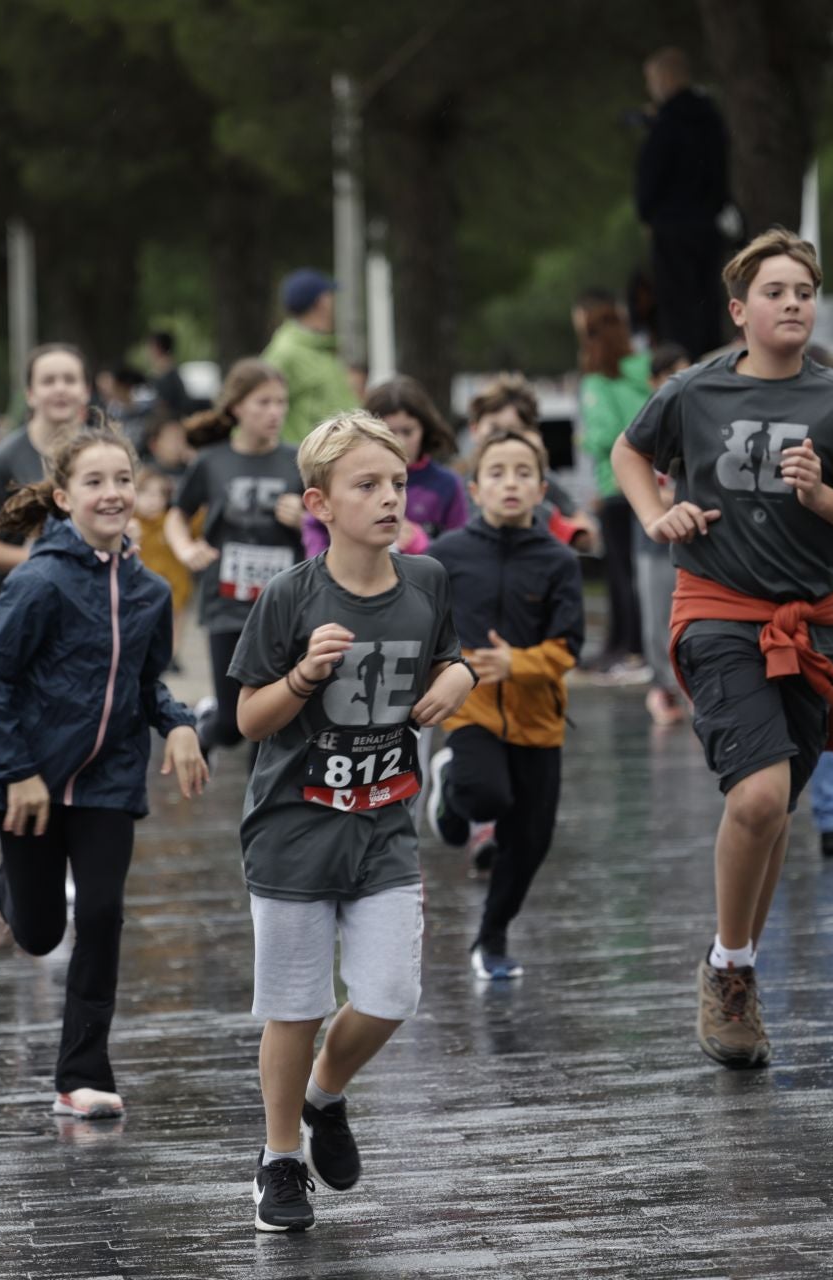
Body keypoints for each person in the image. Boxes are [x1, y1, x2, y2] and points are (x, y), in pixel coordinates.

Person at [611, 228, 833, 1070]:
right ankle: (733, 971)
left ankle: (730, 964)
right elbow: (629, 453)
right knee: (757, 799)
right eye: (776, 292)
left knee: (776, 809)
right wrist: (653, 514)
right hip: (716, 613)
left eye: (805, 293)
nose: (793, 305)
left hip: (812, 623)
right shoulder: (693, 392)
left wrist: (823, 496)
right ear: (740, 311)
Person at [230, 411, 475, 1233]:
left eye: (397, 483)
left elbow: (449, 654)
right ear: (319, 503)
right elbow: (251, 719)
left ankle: (323, 1098)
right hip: (294, 828)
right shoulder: (289, 596)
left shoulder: (429, 579)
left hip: (383, 826)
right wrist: (302, 675)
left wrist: (462, 677)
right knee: (294, 1006)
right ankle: (278, 1161)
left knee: (392, 994)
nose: (388, 498)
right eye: (365, 485)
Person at [0, 427, 207, 1121]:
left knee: (100, 915)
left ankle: (82, 1072)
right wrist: (16, 772)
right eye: (95, 482)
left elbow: (145, 681)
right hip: (30, 782)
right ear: (64, 497)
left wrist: (180, 722)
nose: (112, 493)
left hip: (109, 781)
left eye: (123, 479)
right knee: (39, 934)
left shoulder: (150, 591)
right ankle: (8, 889)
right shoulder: (38, 580)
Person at [426, 428, 584, 980]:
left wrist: (519, 663)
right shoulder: (445, 556)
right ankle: (451, 789)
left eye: (523, 473)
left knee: (530, 838)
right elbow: (424, 626)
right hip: (469, 706)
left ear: (542, 489)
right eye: (497, 473)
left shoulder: (559, 560)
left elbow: (569, 646)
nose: (510, 483)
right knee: (486, 794)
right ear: (474, 488)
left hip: (538, 714)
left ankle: (491, 938)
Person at [162, 359, 305, 759]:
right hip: (228, 604)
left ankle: (260, 817)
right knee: (233, 724)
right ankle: (207, 726)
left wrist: (306, 518)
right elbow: (176, 514)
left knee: (272, 723)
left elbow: (326, 523)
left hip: (283, 606)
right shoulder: (212, 461)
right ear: (237, 408)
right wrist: (187, 549)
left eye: (281, 402)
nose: (275, 412)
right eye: (263, 402)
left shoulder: (299, 461)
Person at [0, 344, 93, 623]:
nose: (60, 388)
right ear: (30, 395)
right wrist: (42, 558)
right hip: (19, 611)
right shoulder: (3, 461)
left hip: (87, 604)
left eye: (69, 379)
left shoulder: (104, 454)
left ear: (85, 391)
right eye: (48, 381)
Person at [576, 290, 655, 679]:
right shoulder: (644, 371)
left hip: (615, 485)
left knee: (620, 573)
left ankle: (626, 647)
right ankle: (635, 646)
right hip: (650, 484)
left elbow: (605, 432)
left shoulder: (597, 381)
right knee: (642, 573)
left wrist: (583, 439)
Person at [301, 377, 469, 557]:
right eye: (367, 485)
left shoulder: (446, 483)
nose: (400, 441)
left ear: (424, 430)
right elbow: (316, 524)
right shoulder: (349, 473)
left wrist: (423, 545)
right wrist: (322, 566)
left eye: (399, 484)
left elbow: (461, 551)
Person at [634, 47, 731, 360]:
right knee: (707, 305)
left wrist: (649, 216)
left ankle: (682, 372)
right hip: (707, 228)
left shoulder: (666, 124)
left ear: (665, 79)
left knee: (677, 312)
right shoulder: (711, 119)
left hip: (672, 230)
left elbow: (649, 180)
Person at [464, 376, 600, 557]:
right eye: (494, 429)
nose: (503, 439)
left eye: (514, 432)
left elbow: (585, 531)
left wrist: (558, 527)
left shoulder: (542, 480)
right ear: (474, 429)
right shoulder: (456, 483)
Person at [634, 343, 694, 724]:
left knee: (687, 613)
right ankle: (662, 687)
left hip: (691, 536)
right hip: (653, 535)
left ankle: (691, 684)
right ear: (654, 381)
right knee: (655, 614)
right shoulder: (643, 422)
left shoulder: (699, 418)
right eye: (672, 374)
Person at [262, 270, 358, 446]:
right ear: (322, 302)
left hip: (335, 462)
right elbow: (257, 407)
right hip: (306, 466)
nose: (333, 302)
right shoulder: (285, 352)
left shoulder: (321, 350)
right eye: (330, 296)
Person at [131, 467, 192, 667]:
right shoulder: (130, 525)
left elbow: (198, 522)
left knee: (174, 621)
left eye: (160, 494)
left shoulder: (172, 521)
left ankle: (172, 656)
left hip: (174, 584)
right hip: (140, 588)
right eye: (147, 493)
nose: (154, 500)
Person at [146, 331, 197, 420]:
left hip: (170, 421)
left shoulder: (166, 374)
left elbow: (163, 404)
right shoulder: (168, 371)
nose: (149, 351)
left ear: (158, 348)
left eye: (151, 346)